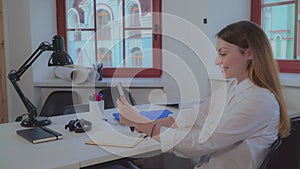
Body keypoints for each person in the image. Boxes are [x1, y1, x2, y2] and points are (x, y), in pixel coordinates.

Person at [116, 21, 291, 169]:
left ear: (249, 53)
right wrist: (144, 123)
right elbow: (194, 116)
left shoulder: (259, 100)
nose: (217, 61)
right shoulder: (232, 88)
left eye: (223, 53)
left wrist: (142, 123)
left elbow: (202, 143)